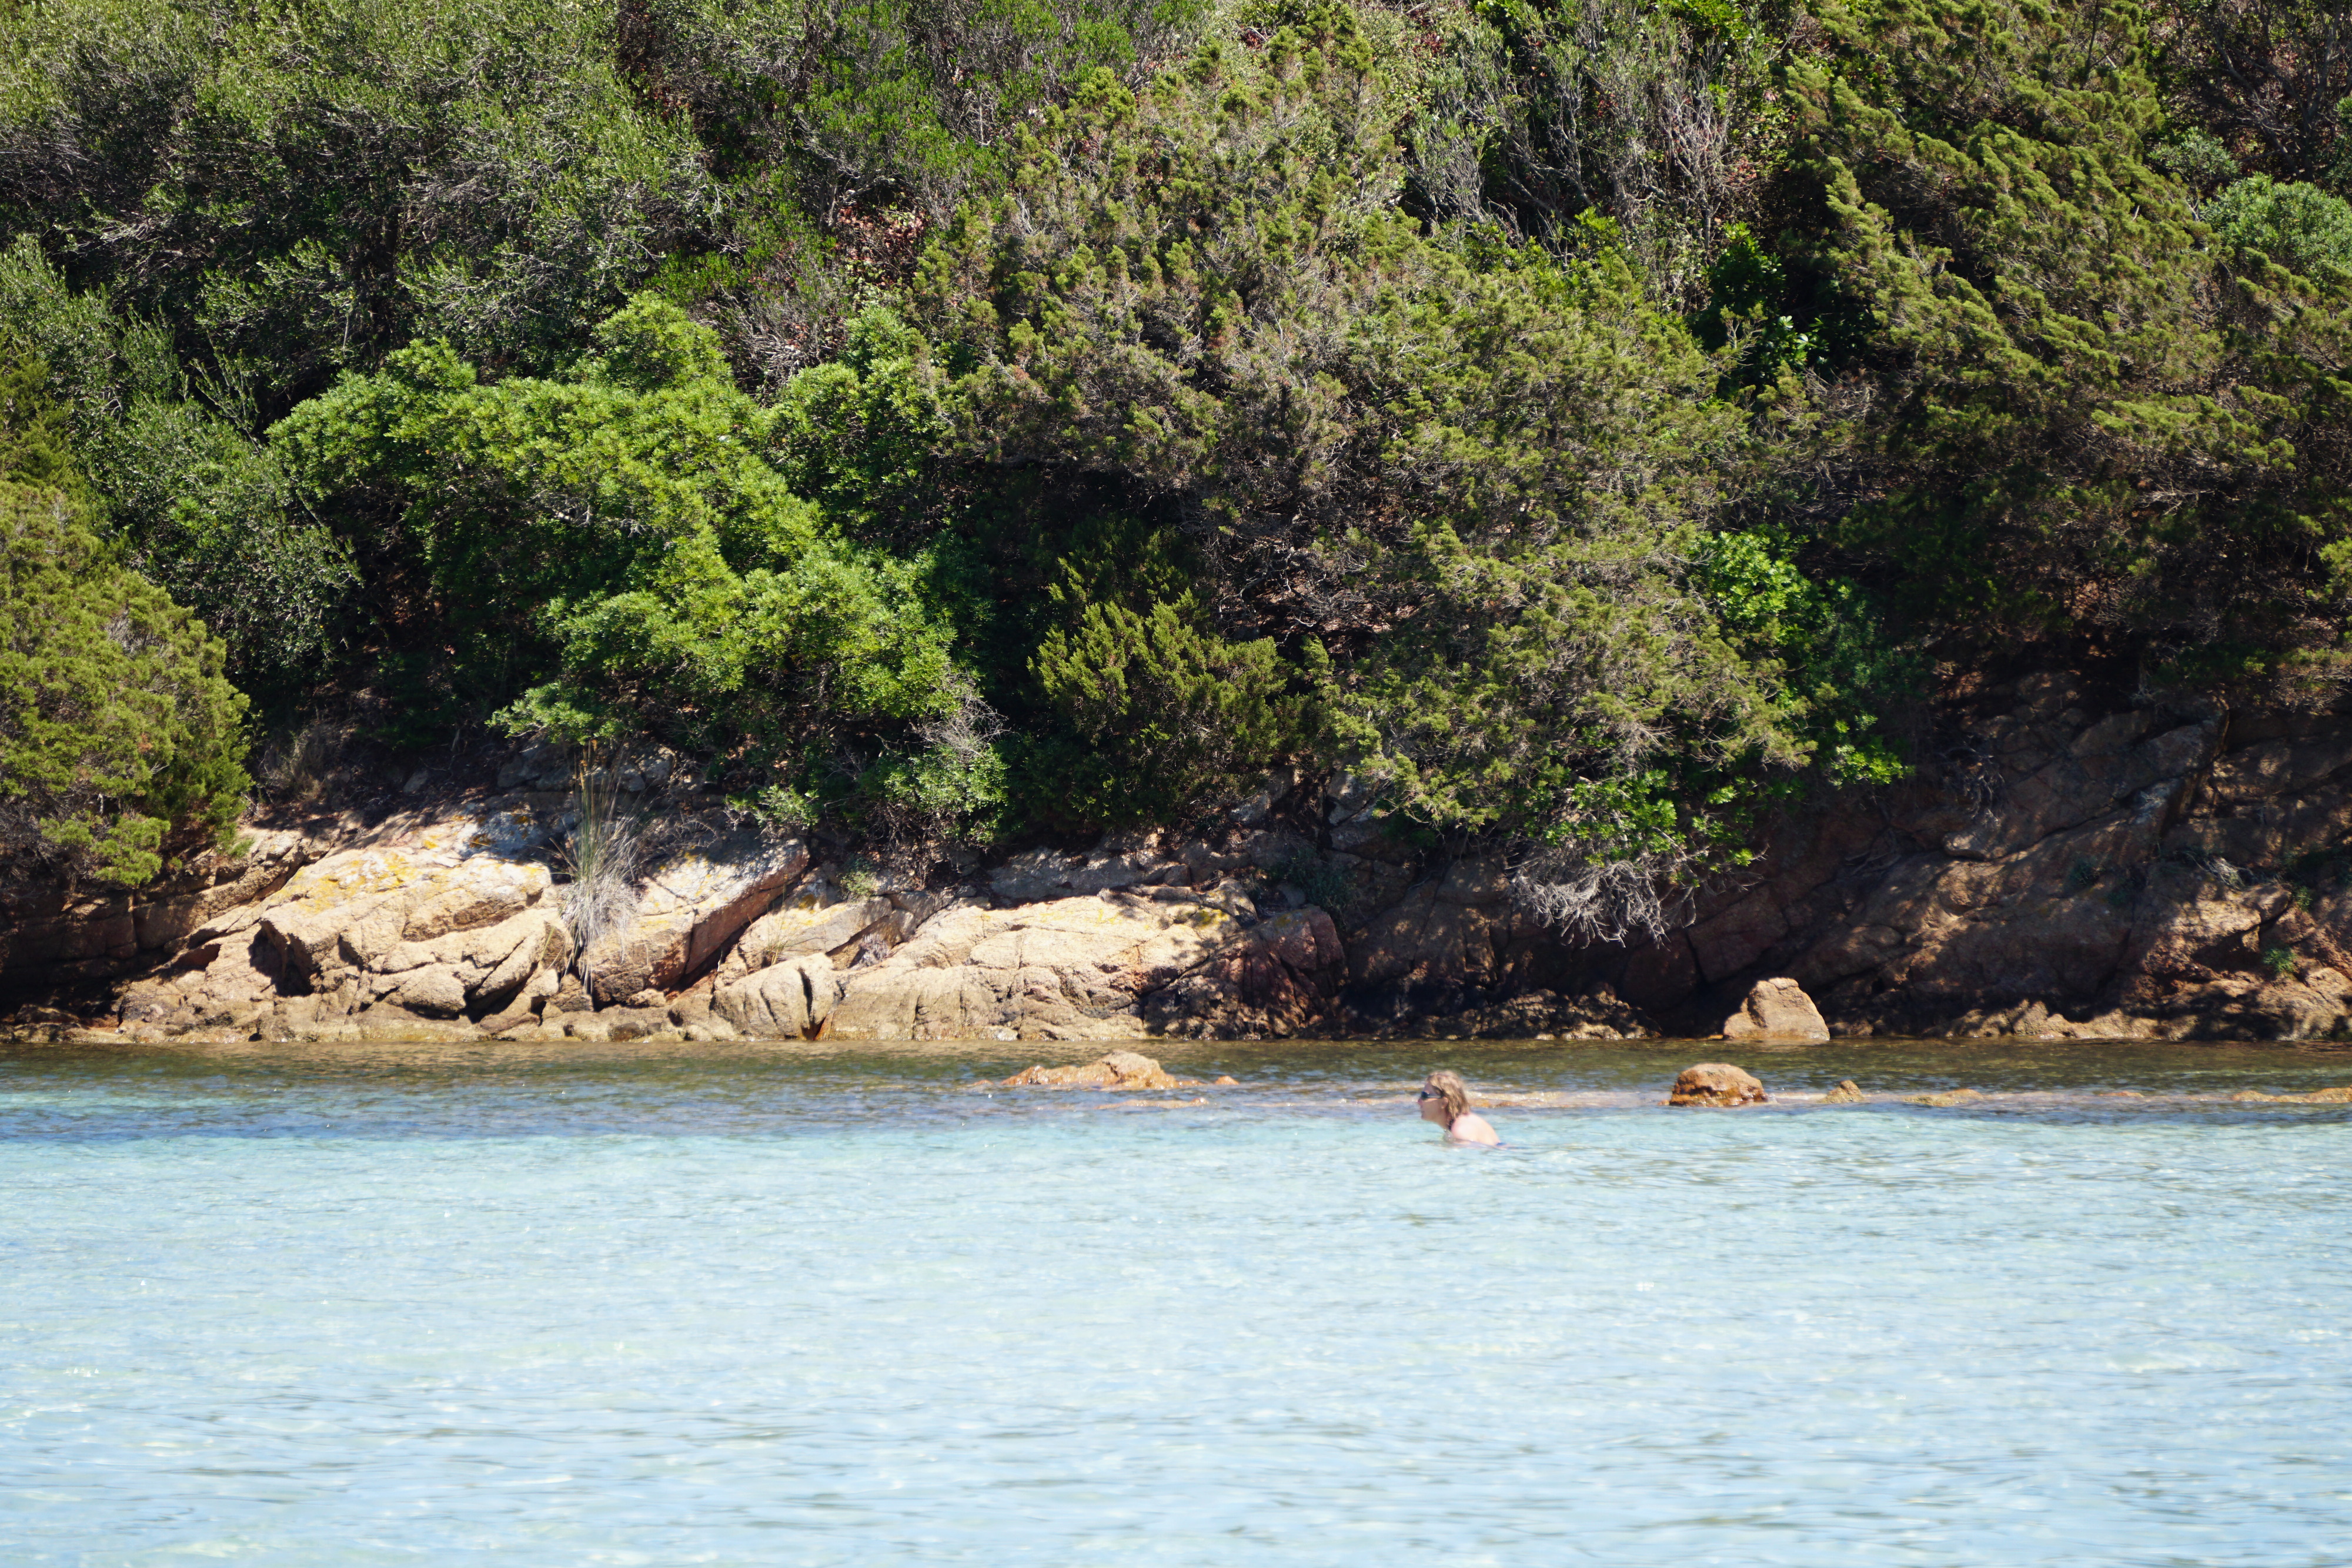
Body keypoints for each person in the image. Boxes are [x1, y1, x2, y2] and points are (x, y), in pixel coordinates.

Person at [1418, 1069, 1501, 1145]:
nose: (1419, 1102)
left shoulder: (1461, 1130)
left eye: (1425, 1096)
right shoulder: (1469, 1120)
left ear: (1444, 1103)